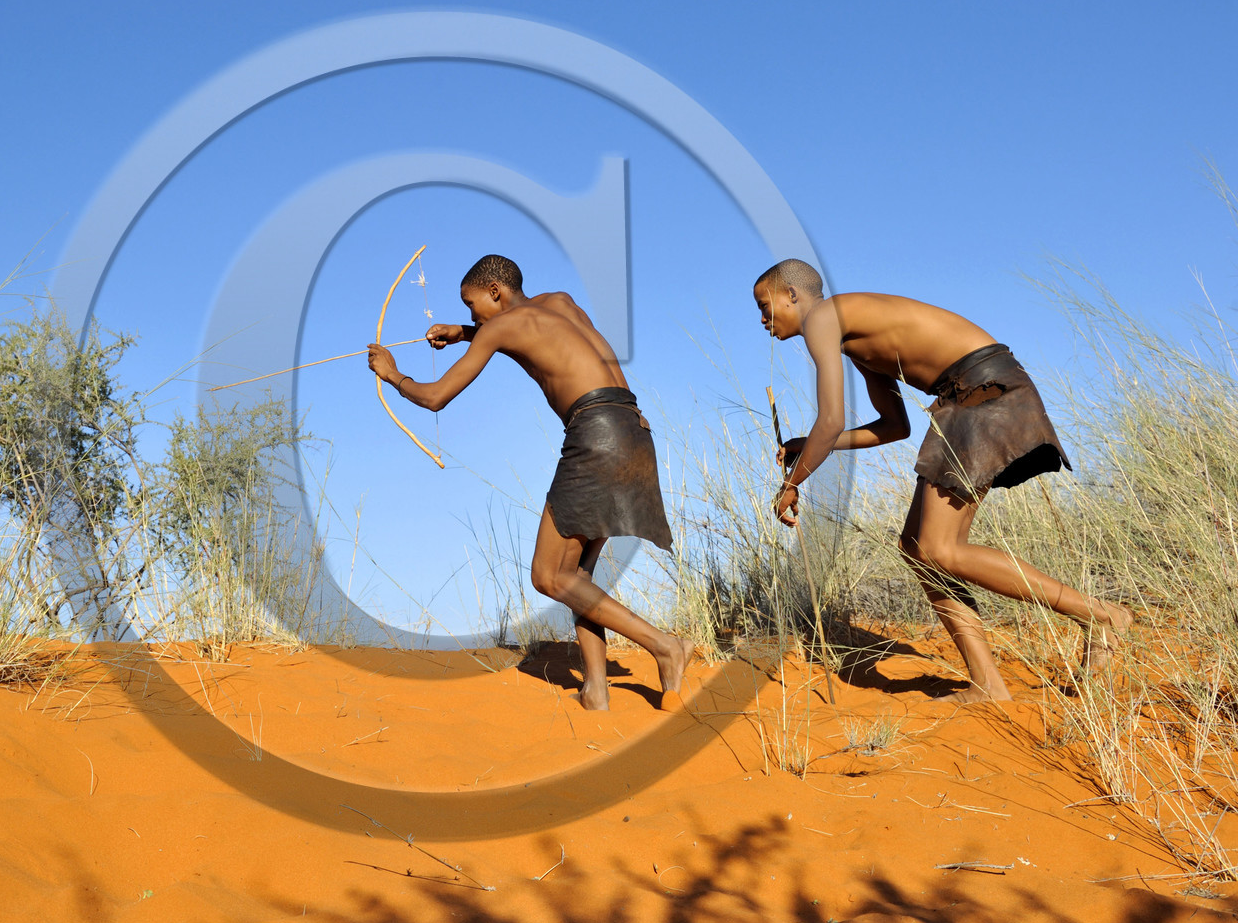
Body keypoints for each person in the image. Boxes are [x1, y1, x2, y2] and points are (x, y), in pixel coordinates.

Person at [752, 258, 1132, 703]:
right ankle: (987, 683)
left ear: (792, 295)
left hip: (982, 390)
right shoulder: (853, 341)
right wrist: (807, 444)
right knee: (918, 550)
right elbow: (893, 426)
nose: (762, 320)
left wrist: (792, 482)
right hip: (974, 394)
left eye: (765, 305)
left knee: (939, 548)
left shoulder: (823, 318)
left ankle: (1100, 615)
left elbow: (832, 419)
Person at [367, 254, 692, 711]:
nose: (471, 314)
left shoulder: (502, 326)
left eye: (471, 303)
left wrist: (393, 374)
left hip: (594, 434)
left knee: (547, 574)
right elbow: (530, 331)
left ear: (495, 291)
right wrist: (463, 333)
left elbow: (436, 396)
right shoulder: (559, 302)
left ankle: (664, 646)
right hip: (632, 429)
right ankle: (596, 690)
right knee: (576, 575)